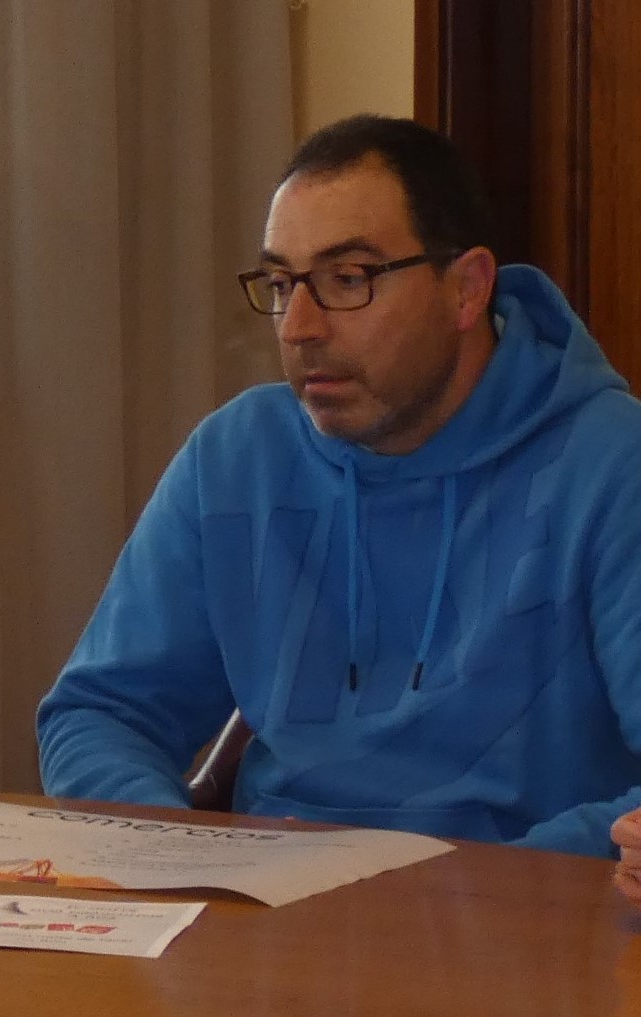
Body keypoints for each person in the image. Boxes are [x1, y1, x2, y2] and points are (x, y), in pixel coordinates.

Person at [38, 115, 641, 856]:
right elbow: (100, 713)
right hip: (269, 905)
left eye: (347, 279)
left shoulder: (612, 463)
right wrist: (178, 850)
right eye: (281, 283)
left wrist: (450, 892)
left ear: (465, 289)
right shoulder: (237, 456)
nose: (298, 326)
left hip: (524, 911)